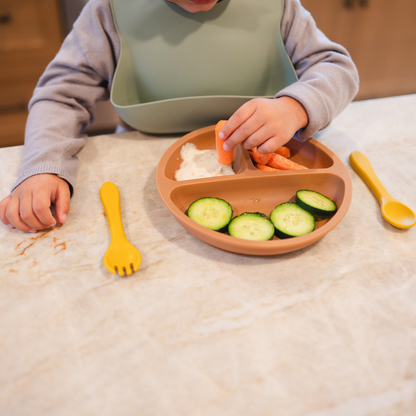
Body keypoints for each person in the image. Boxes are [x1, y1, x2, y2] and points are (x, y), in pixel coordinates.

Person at [0, 0, 359, 233]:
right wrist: (45, 165)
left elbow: (337, 68)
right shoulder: (108, 11)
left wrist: (295, 107)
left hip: (259, 165)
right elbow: (60, 94)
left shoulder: (278, 6)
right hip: (143, 180)